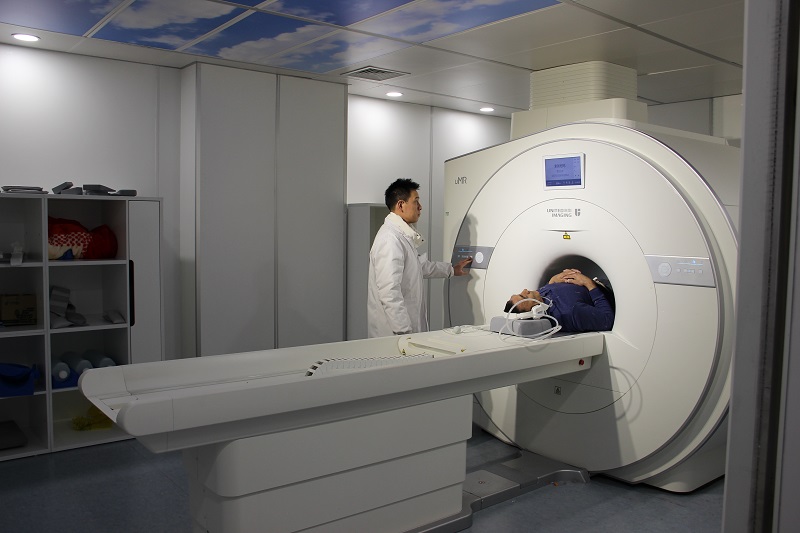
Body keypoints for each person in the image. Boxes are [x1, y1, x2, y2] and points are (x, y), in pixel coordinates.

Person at [368, 178, 472, 337]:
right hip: (396, 334)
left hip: (406, 333)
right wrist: (404, 332)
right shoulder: (390, 240)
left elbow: (418, 266)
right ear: (401, 205)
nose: (420, 207)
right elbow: (389, 292)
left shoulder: (401, 236)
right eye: (416, 201)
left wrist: (451, 269)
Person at [505, 268, 615, 333]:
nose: (525, 290)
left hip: (600, 280)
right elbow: (607, 320)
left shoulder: (540, 297)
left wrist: (553, 281)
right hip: (612, 291)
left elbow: (554, 291)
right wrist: (588, 283)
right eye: (524, 296)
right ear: (536, 310)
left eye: (519, 293)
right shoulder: (571, 311)